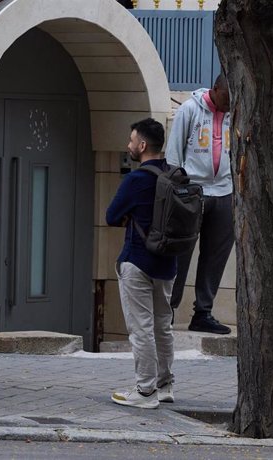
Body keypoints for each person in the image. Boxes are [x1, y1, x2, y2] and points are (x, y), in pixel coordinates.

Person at [106, 118, 176, 409]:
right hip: (169, 262)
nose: (129, 145)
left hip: (138, 261)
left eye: (132, 140)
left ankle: (145, 391)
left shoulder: (135, 180)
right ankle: (165, 385)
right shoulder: (177, 175)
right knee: (163, 326)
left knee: (141, 328)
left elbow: (111, 216)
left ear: (143, 145)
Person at [165, 74, 233, 335]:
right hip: (192, 192)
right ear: (215, 90)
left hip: (224, 192)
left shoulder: (235, 112)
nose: (229, 104)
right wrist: (180, 191)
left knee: (215, 256)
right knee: (180, 254)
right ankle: (168, 311)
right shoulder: (190, 110)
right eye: (226, 97)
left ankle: (203, 313)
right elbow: (173, 155)